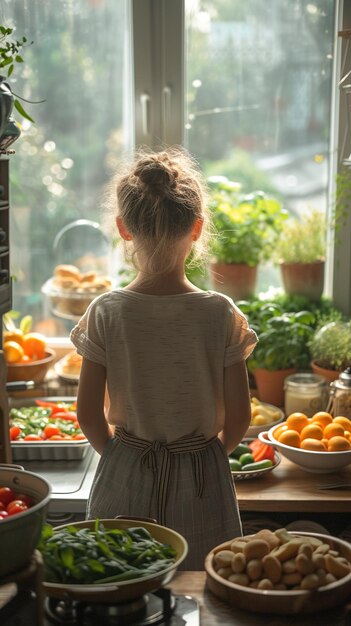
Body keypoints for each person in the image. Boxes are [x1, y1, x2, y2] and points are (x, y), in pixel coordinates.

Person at [70, 146, 258, 570]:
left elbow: (87, 415)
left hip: (127, 471)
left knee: (121, 582)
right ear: (197, 228)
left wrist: (124, 458)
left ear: (122, 228)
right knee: (200, 591)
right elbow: (240, 417)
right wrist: (204, 457)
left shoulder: (106, 310)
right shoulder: (221, 313)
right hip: (202, 478)